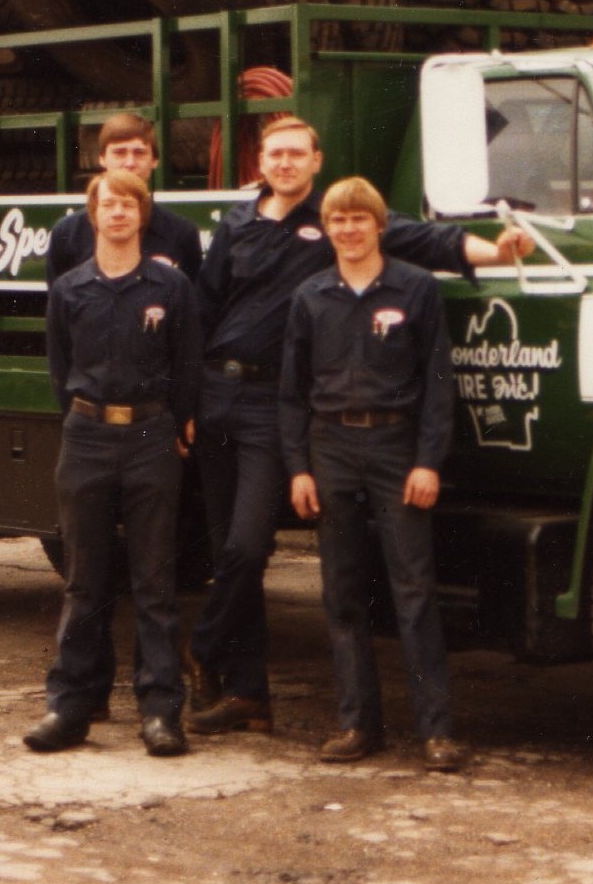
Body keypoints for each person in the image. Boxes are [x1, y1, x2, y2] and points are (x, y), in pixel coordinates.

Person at [184, 116, 531, 736]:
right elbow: (204, 307)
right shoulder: (235, 224)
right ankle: (247, 695)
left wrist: (496, 250)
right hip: (217, 394)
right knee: (225, 549)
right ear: (259, 163)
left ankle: (203, 645)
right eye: (275, 155)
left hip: (273, 399)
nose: (285, 163)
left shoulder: (338, 215)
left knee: (246, 545)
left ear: (317, 161)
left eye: (297, 154)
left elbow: (428, 242)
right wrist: (188, 398)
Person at [281, 176, 462, 771]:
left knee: (414, 593)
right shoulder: (310, 296)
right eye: (338, 221)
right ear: (326, 228)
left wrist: (427, 462)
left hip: (395, 448)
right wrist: (299, 470)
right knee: (342, 594)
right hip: (331, 447)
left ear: (380, 225)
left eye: (360, 219)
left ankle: (436, 732)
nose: (349, 230)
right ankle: (359, 725)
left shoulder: (415, 290)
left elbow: (438, 385)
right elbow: (291, 393)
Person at [25, 169, 202, 757]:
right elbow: (58, 371)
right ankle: (71, 707)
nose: (119, 212)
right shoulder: (69, 289)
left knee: (154, 582)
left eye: (129, 203)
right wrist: (85, 418)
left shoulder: (170, 288)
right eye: (108, 203)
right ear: (93, 215)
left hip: (151, 436)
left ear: (141, 215)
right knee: (84, 580)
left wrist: (171, 422)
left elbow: (187, 364)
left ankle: (160, 713)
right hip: (86, 438)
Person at [46, 111, 203, 285]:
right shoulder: (67, 233)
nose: (130, 163)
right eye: (119, 153)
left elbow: (190, 305)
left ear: (155, 160)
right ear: (102, 159)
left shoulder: (181, 233)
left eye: (139, 153)